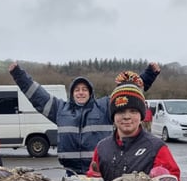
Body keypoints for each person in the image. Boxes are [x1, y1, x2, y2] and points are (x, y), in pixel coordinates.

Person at [9, 61, 161, 174]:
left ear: (90, 93)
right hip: (71, 174)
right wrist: (18, 75)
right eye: (77, 90)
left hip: (100, 172)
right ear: (72, 93)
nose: (80, 92)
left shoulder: (104, 107)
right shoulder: (60, 109)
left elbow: (126, 92)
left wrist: (149, 74)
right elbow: (38, 96)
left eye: (84, 90)